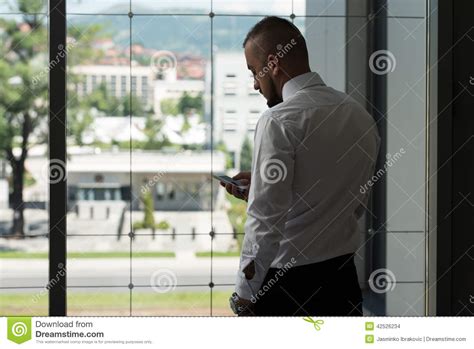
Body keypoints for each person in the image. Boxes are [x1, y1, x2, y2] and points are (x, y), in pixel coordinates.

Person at [221, 16, 381, 316]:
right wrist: (262, 189)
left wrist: (244, 295)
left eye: (255, 72)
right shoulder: (359, 115)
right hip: (343, 282)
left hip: (286, 288)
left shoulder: (278, 120)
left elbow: (265, 219)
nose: (255, 83)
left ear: (273, 64)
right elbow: (352, 202)